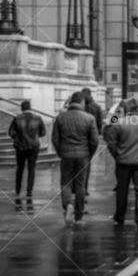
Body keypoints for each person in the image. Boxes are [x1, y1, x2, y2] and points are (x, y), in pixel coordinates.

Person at [104, 97, 138, 229]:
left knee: (122, 190)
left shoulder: (119, 123)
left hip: (123, 162)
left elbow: (111, 142)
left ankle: (120, 217)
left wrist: (118, 155)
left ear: (127, 109)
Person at [52, 91, 99, 225]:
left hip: (66, 155)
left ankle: (68, 205)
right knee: (80, 185)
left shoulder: (61, 117)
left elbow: (55, 138)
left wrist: (60, 152)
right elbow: (94, 140)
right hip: (83, 155)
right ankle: (79, 216)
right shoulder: (89, 118)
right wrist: (90, 154)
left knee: (66, 183)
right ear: (82, 102)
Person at [7, 100, 46, 198]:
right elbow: (43, 132)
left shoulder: (17, 118)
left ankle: (18, 189)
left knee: (20, 168)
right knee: (31, 168)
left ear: (22, 108)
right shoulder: (38, 118)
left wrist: (17, 137)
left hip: (20, 146)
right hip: (34, 146)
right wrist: (35, 136)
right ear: (30, 108)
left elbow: (11, 132)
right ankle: (29, 191)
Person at [81, 88, 104, 197]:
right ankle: (84, 188)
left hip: (81, 137)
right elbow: (100, 124)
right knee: (87, 164)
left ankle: (77, 187)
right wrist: (98, 134)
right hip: (91, 138)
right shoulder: (97, 107)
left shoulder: (82, 106)